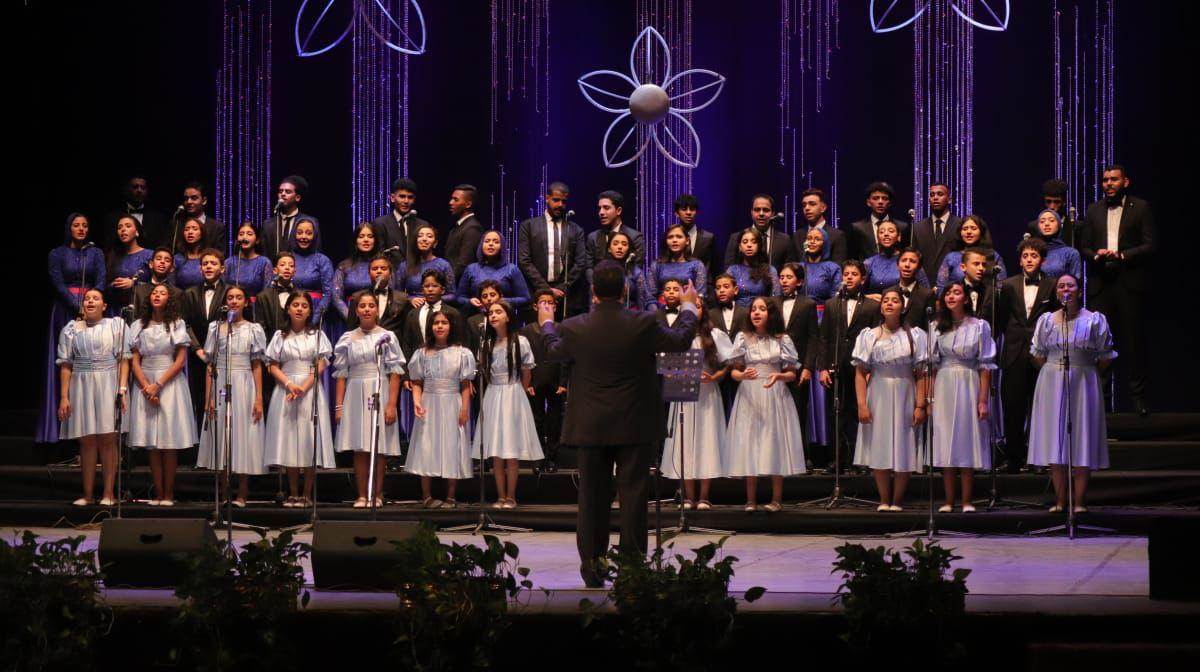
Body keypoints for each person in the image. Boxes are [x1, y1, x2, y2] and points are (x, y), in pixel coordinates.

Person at [536, 261, 698, 587]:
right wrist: (689, 307)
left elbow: (553, 351)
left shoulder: (575, 326)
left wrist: (547, 323)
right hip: (633, 423)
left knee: (591, 500)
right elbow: (680, 340)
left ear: (593, 291)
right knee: (634, 499)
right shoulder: (643, 322)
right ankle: (631, 571)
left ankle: (593, 569)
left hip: (591, 425)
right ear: (625, 289)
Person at [1028, 274, 1116, 512]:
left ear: (1079, 290)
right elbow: (1038, 352)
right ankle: (1060, 501)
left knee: (1081, 437)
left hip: (1083, 380)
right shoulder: (1046, 321)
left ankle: (1079, 502)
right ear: (1056, 292)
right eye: (1061, 286)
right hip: (1052, 380)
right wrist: (1053, 371)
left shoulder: (1094, 320)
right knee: (1056, 438)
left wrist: (1086, 371)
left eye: (1070, 285)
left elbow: (1106, 355)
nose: (1065, 289)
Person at [1079, 164, 1154, 416]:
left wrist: (1122, 255)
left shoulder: (1140, 207)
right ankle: (1100, 402)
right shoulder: (1093, 209)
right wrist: (1096, 255)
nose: (1108, 184)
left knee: (1134, 342)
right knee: (1099, 344)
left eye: (1114, 179)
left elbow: (1150, 244)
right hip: (1101, 284)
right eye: (1105, 180)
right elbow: (1084, 246)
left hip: (1129, 282)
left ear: (1125, 182)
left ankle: (1139, 400)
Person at [851, 287, 929, 511]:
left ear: (903, 307)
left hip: (905, 391)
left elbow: (921, 374)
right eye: (886, 300)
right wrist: (862, 404)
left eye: (895, 300)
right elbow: (860, 373)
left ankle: (897, 500)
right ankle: (884, 499)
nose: (889, 303)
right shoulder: (869, 335)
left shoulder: (915, 336)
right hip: (878, 392)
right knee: (880, 444)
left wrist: (920, 405)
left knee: (904, 444)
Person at [726, 297, 807, 511]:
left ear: (771, 314)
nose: (756, 312)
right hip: (749, 394)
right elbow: (733, 372)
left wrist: (778, 376)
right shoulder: (742, 338)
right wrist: (742, 375)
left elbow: (792, 374)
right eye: (753, 309)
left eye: (762, 309)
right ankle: (750, 500)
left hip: (774, 393)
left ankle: (776, 499)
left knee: (774, 442)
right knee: (749, 442)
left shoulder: (782, 339)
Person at [333, 291, 406, 508]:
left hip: (379, 389)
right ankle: (362, 495)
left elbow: (395, 372)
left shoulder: (387, 337)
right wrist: (339, 406)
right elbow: (341, 374)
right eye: (362, 306)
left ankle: (377, 494)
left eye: (371, 305)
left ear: (377, 309)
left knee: (378, 446)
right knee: (360, 447)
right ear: (356, 311)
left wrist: (391, 404)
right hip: (355, 391)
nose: (367, 309)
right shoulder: (347, 338)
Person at [39, 213, 107, 445]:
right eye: (76, 225)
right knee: (65, 360)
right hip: (65, 310)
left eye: (85, 225)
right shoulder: (57, 253)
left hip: (91, 308)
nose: (81, 229)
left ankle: (88, 426)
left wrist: (90, 303)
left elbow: (101, 279)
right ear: (69, 228)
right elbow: (57, 283)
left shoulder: (95, 253)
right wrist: (76, 305)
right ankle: (58, 424)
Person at [196, 285, 267, 507]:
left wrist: (258, 397)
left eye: (239, 297)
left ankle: (242, 493)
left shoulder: (253, 329)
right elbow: (210, 365)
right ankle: (224, 492)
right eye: (230, 298)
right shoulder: (216, 328)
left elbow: (257, 365)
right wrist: (208, 398)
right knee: (222, 434)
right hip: (221, 383)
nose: (234, 301)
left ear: (246, 302)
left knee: (243, 435)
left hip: (244, 383)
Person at [264, 292, 335, 508]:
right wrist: (289, 384)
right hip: (285, 389)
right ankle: (293, 492)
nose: (300, 309)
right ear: (288, 309)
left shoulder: (317, 335)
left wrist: (302, 387)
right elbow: (272, 365)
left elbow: (321, 364)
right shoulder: (280, 335)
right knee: (290, 439)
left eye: (304, 305)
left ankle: (306, 493)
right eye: (295, 304)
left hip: (309, 389)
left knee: (308, 439)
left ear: (310, 310)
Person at [125, 283, 195, 505]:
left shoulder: (176, 324)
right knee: (152, 443)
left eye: (162, 293)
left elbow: (180, 360)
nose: (157, 295)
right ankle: (157, 493)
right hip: (145, 381)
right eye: (154, 293)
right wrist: (147, 387)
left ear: (169, 299)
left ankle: (168, 494)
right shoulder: (138, 325)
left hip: (169, 382)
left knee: (168, 440)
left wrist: (158, 385)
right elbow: (135, 360)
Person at [57, 289, 128, 505]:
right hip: (82, 384)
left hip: (108, 382)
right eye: (87, 299)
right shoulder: (72, 329)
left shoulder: (115, 325)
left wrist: (122, 389)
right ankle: (87, 495)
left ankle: (108, 494)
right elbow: (66, 364)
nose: (90, 301)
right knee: (86, 439)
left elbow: (123, 359)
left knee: (108, 438)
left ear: (104, 306)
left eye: (95, 298)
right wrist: (64, 397)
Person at [930, 282, 996, 512]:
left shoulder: (979, 326)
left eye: (956, 293)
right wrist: (930, 398)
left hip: (969, 382)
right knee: (946, 440)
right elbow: (932, 366)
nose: (951, 296)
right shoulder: (936, 327)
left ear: (966, 299)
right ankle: (948, 501)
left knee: (967, 440)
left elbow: (985, 366)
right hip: (944, 383)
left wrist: (982, 400)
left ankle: (967, 500)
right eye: (948, 293)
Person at [997, 238, 1060, 472]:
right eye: (1025, 256)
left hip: (1042, 355)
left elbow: (1056, 318)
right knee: (1013, 406)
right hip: (1014, 351)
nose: (1029, 260)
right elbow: (1002, 318)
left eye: (1034, 256)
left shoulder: (1052, 285)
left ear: (1042, 260)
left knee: (1041, 407)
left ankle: (1038, 459)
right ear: (1020, 260)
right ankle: (1013, 458)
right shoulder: (1008, 284)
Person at [660, 301, 730, 510]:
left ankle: (704, 496)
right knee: (685, 440)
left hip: (707, 393)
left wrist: (714, 376)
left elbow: (729, 363)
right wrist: (682, 373)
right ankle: (689, 496)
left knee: (706, 439)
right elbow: (665, 365)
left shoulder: (715, 335)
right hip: (683, 392)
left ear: (704, 310)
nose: (693, 309)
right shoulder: (676, 335)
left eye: (698, 306)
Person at [404, 310, 475, 508]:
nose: (440, 326)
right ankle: (426, 496)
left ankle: (451, 496)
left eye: (444, 322)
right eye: (436, 323)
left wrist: (464, 409)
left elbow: (465, 384)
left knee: (452, 445)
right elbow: (417, 382)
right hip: (429, 402)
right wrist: (416, 401)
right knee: (426, 445)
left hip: (452, 402)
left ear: (451, 326)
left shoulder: (462, 353)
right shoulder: (422, 353)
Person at [475, 301, 542, 508]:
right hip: (493, 393)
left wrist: (518, 393)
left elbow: (526, 373)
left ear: (508, 316)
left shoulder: (520, 341)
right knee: (496, 450)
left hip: (513, 392)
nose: (493, 316)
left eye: (498, 312)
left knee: (511, 449)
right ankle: (500, 496)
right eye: (490, 313)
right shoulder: (486, 344)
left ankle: (511, 496)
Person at [817, 260, 881, 473]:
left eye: (854, 274)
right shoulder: (831, 304)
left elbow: (875, 339)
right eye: (846, 274)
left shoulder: (872, 306)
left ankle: (860, 459)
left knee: (858, 412)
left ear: (863, 279)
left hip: (860, 368)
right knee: (836, 412)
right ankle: (838, 459)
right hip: (836, 365)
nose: (849, 277)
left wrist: (871, 368)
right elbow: (824, 337)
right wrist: (822, 367)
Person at [516, 182, 588, 318]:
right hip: (537, 294)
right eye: (556, 200)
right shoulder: (529, 226)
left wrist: (562, 288)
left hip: (566, 297)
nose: (560, 205)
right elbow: (524, 261)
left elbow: (580, 263)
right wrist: (546, 290)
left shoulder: (575, 229)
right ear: (547, 198)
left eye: (564, 201)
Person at [521, 289, 568, 473]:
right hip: (535, 381)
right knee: (536, 420)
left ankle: (552, 458)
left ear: (555, 307)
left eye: (550, 302)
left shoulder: (561, 328)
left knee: (555, 420)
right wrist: (528, 383)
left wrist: (564, 382)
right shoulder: (527, 330)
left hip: (556, 381)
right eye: (543, 302)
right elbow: (525, 359)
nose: (547, 305)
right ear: (535, 306)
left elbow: (566, 358)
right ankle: (538, 459)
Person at [181, 248, 229, 420]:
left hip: (224, 354)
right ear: (200, 268)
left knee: (223, 399)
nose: (208, 266)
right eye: (205, 263)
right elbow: (185, 324)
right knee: (199, 400)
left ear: (222, 269)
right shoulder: (189, 293)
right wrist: (197, 349)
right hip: (198, 355)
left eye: (213, 263)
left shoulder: (230, 292)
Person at [777, 263, 819, 456]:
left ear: (800, 281)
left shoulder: (808, 304)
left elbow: (813, 338)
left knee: (798, 410)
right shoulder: (772, 302)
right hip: (776, 365)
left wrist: (808, 367)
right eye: (782, 277)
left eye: (789, 277)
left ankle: (800, 456)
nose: (784, 281)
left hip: (799, 366)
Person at [456, 230, 532, 314]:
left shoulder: (511, 269)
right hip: (476, 317)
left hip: (504, 317)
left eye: (496, 242)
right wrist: (470, 301)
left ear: (502, 246)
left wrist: (502, 301)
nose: (491, 244)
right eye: (487, 241)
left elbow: (525, 298)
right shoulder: (471, 269)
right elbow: (459, 298)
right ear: (481, 245)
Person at [332, 222, 384, 341]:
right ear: (355, 241)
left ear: (375, 241)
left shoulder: (381, 266)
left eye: (370, 236)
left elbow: (388, 293)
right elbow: (336, 297)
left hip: (377, 320)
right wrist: (352, 318)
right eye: (361, 236)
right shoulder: (344, 266)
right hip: (349, 321)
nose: (366, 240)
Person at [400, 269, 463, 359]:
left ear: (442, 290)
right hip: (418, 363)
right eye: (426, 286)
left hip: (446, 362)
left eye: (434, 286)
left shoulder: (453, 313)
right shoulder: (412, 314)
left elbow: (459, 341)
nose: (430, 289)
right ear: (422, 290)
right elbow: (407, 344)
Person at [936, 215, 1007, 293]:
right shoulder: (951, 257)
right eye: (965, 229)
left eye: (973, 228)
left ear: (981, 232)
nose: (969, 232)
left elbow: (1001, 286)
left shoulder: (993, 256)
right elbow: (941, 287)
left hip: (987, 299)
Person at [723, 194, 795, 270]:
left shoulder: (785, 240)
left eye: (766, 210)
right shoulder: (736, 237)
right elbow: (728, 269)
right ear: (751, 212)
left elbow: (789, 269)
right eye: (757, 210)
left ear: (773, 213)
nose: (761, 214)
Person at [371, 177, 429, 269]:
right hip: (391, 275)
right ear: (392, 198)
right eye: (402, 196)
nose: (406, 201)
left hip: (419, 275)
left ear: (414, 199)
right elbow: (379, 256)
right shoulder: (380, 224)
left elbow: (427, 256)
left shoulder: (423, 225)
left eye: (410, 197)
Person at [910, 183, 962, 282]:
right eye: (932, 195)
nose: (935, 198)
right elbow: (914, 258)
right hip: (924, 285)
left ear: (949, 199)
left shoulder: (960, 225)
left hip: (952, 284)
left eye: (940, 194)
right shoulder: (918, 227)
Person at [864, 221, 930, 297]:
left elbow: (926, 290)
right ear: (878, 238)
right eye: (881, 232)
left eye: (891, 231)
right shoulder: (869, 263)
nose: (886, 234)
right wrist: (868, 297)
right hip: (875, 303)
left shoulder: (908, 260)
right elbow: (858, 293)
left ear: (899, 236)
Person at [647, 223, 707, 306]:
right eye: (670, 237)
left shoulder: (697, 265)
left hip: (688, 308)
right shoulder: (657, 265)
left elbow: (700, 295)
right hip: (661, 309)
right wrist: (656, 312)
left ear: (687, 241)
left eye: (679, 237)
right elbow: (650, 296)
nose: (674, 240)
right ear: (666, 241)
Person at [848, 181, 910, 260]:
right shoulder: (857, 228)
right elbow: (853, 257)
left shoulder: (902, 227)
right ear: (868, 202)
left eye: (884, 198)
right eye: (875, 198)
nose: (880, 202)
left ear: (890, 203)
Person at [397, 223, 456, 304]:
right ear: (415, 241)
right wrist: (410, 299)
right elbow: (396, 293)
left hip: (437, 308)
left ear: (435, 243)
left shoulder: (443, 265)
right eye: (420, 236)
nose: (424, 239)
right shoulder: (405, 265)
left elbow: (452, 295)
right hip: (412, 308)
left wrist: (433, 300)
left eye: (429, 236)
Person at [261, 175, 318, 259]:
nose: (283, 194)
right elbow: (264, 255)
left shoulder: (310, 222)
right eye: (280, 191)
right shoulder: (268, 224)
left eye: (288, 192)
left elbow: (316, 251)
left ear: (297, 197)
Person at [105, 214, 153, 312]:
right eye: (120, 227)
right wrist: (113, 285)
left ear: (137, 232)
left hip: (141, 308)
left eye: (128, 226)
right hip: (115, 310)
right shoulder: (113, 256)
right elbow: (105, 285)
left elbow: (157, 284)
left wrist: (134, 284)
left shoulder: (149, 255)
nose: (123, 230)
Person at [104, 175, 166, 251]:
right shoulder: (113, 217)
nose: (139, 190)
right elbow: (109, 245)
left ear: (147, 191)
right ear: (127, 190)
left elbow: (161, 245)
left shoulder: (158, 218)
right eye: (135, 187)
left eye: (143, 187)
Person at [591, 231, 650, 310]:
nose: (620, 247)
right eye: (615, 244)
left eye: (624, 244)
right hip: (605, 313)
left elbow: (646, 298)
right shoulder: (601, 270)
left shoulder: (635, 271)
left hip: (630, 314)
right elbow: (593, 300)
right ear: (609, 249)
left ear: (628, 249)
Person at [586, 190, 645, 269]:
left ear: (618, 211)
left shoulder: (635, 237)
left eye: (606, 208)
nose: (601, 212)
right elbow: (588, 268)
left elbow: (636, 268)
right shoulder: (593, 237)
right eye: (599, 208)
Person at [725, 228, 781, 307]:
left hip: (762, 311)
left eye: (754, 242)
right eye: (745, 242)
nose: (749, 245)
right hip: (738, 313)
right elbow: (726, 298)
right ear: (740, 247)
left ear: (759, 246)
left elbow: (776, 299)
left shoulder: (770, 270)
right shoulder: (732, 271)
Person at [169, 182, 226, 255]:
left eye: (194, 198)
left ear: (204, 201)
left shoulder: (217, 227)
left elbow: (220, 255)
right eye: (186, 198)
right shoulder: (177, 224)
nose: (189, 202)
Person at [792, 188, 848, 264]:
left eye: (812, 204)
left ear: (823, 208)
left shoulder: (837, 235)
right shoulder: (797, 235)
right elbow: (791, 266)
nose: (807, 208)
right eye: (804, 205)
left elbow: (838, 266)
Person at [671, 194, 719, 283]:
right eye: (684, 209)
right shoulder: (670, 238)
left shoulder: (708, 238)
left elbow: (715, 269)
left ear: (696, 212)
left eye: (692, 209)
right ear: (676, 213)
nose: (688, 212)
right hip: (675, 286)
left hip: (703, 287)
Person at [444, 184, 484, 281]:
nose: (450, 202)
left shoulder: (473, 228)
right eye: (451, 199)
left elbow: (464, 264)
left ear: (468, 204)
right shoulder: (459, 226)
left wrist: (445, 283)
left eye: (456, 200)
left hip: (459, 285)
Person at [254, 252, 297, 340]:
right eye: (282, 265)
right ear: (275, 270)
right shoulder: (263, 297)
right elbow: (260, 328)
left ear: (294, 272)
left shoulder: (300, 296)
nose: (287, 268)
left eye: (291, 266)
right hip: (271, 343)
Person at [1031, 209, 1083, 280]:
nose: (1046, 224)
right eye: (1042, 221)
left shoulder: (1071, 253)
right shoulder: (1033, 253)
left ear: (1059, 225)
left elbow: (1075, 281)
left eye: (1051, 220)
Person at [224, 222, 273, 296]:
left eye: (249, 234)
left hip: (257, 302)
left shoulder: (264, 262)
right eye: (241, 234)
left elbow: (267, 292)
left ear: (257, 240)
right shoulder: (228, 262)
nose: (244, 237)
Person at [957, 247, 1000, 330]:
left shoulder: (991, 293)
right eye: (976, 264)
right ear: (963, 267)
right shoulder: (956, 291)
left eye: (983, 265)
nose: (981, 268)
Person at [131, 247, 181, 317]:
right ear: (151, 264)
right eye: (158, 259)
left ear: (172, 268)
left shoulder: (177, 293)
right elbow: (133, 317)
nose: (162, 262)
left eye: (167, 260)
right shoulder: (138, 290)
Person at [894, 248, 937, 329]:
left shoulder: (927, 295)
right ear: (897, 265)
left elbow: (930, 326)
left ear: (919, 267)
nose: (907, 265)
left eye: (913, 261)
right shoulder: (888, 292)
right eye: (903, 260)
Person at [1026, 179, 1073, 245]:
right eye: (1048, 201)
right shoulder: (1033, 227)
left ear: (1064, 202)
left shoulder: (1074, 227)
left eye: (1057, 202)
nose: (1052, 207)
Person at [172, 217, 207, 290]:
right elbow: (171, 285)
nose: (190, 232)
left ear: (202, 233)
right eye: (186, 229)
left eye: (195, 229)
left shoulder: (208, 258)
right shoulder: (177, 259)